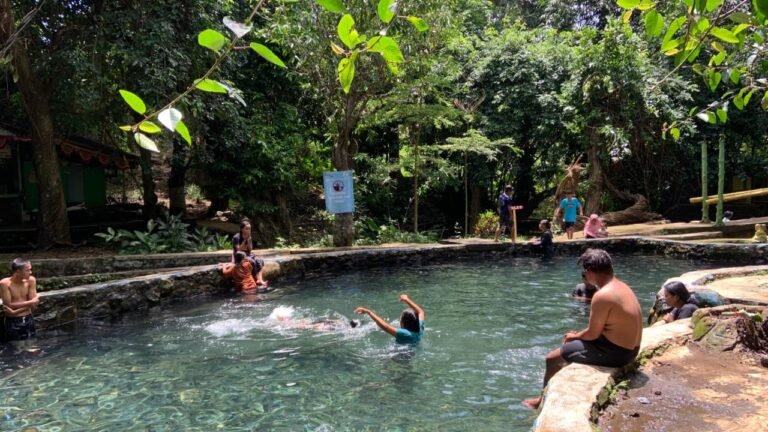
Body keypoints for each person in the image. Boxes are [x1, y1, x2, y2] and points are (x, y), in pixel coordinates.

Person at [523, 249, 642, 410]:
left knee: (551, 358)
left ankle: (541, 401)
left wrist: (574, 336)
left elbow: (592, 334)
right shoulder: (621, 286)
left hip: (618, 354)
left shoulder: (602, 296)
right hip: (631, 349)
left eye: (584, 273)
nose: (584, 276)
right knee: (573, 342)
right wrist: (578, 336)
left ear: (590, 271)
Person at [355, 294, 425, 344]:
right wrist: (406, 300)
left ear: (404, 322)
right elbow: (420, 311)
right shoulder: (419, 327)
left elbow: (386, 327)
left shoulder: (405, 334)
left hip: (402, 354)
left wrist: (369, 312)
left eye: (400, 317)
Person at [0, 258, 40, 342]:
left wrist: (15, 312)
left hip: (29, 319)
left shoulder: (31, 280)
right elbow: (8, 305)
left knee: (33, 347)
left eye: (30, 269)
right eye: (27, 270)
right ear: (17, 272)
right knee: (16, 349)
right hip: (13, 322)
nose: (30, 272)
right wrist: (31, 302)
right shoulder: (5, 283)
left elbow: (34, 304)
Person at [231, 219, 268, 287]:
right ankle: (257, 279)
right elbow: (238, 250)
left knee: (259, 260)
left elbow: (250, 249)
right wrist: (244, 240)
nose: (248, 230)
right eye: (247, 229)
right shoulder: (236, 237)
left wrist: (248, 240)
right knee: (252, 261)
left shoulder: (249, 237)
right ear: (242, 229)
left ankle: (260, 279)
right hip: (239, 256)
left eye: (249, 229)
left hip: (247, 254)